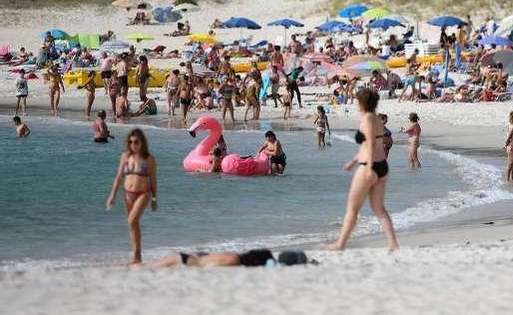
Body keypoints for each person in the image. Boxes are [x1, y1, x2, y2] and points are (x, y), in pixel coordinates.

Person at [331, 89, 398, 251]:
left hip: (370, 167)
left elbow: (371, 144)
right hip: (382, 166)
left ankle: (340, 244)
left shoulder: (367, 119)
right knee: (380, 209)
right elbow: (368, 145)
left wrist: (367, 168)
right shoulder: (377, 119)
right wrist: (353, 161)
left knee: (352, 209)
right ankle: (393, 243)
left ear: (361, 102)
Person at [106, 128, 157, 264]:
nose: (133, 145)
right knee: (133, 225)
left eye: (136, 142)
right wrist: (112, 196)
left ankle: (136, 254)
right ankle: (137, 256)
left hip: (143, 193)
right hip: (127, 194)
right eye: (131, 142)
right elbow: (119, 177)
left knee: (132, 221)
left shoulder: (149, 159)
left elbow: (153, 179)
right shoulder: (125, 157)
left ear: (142, 143)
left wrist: (154, 198)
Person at [147, 249, 304, 268]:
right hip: (181, 260)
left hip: (186, 257)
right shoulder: (234, 260)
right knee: (145, 269)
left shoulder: (235, 256)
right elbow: (210, 267)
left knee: (144, 267)